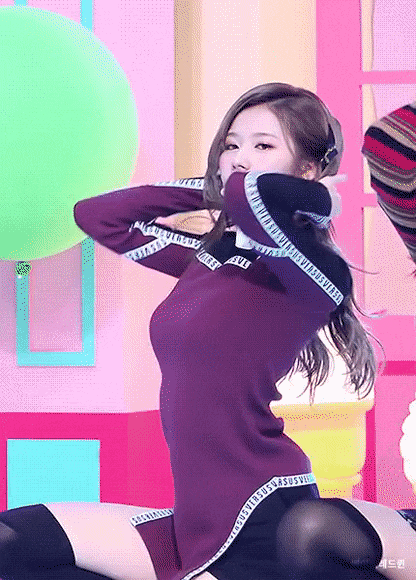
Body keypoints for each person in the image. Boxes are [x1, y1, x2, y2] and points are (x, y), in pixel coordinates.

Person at [0, 83, 415, 580]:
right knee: (12, 540)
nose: (239, 158)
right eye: (231, 145)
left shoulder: (314, 272)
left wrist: (297, 195)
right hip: (191, 523)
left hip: (268, 520)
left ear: (307, 169)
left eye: (263, 145)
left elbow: (249, 200)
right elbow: (98, 216)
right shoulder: (208, 258)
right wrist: (215, 187)